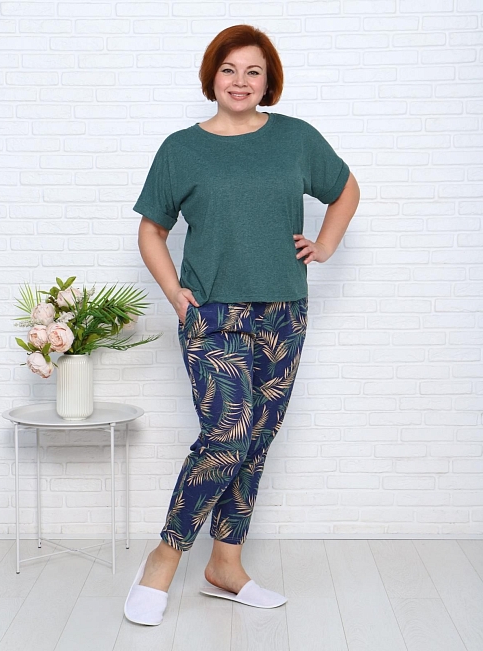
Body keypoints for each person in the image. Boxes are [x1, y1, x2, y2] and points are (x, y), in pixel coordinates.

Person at [124, 24, 360, 626]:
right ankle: (165, 558)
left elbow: (345, 189)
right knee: (226, 436)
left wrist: (325, 245)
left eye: (253, 71)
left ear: (268, 80)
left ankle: (225, 564)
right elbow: (151, 230)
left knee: (254, 442)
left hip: (284, 312)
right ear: (213, 77)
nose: (240, 81)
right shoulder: (181, 148)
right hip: (212, 315)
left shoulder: (296, 138)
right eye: (229, 69)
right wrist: (175, 294)